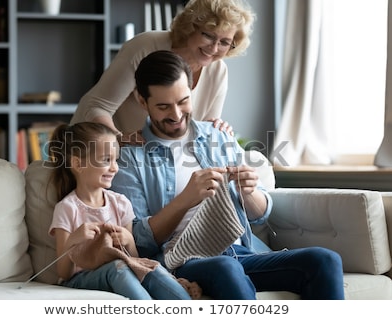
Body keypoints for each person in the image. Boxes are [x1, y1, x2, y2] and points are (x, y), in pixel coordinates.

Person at [111, 50, 345, 299]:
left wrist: (250, 192)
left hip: (240, 251)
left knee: (324, 260)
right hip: (183, 260)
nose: (177, 115)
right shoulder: (130, 159)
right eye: (163, 106)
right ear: (142, 100)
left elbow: (260, 214)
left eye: (183, 101)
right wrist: (187, 198)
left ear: (191, 89)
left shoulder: (218, 136)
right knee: (226, 266)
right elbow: (137, 241)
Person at [47, 121, 196, 300]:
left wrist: (129, 242)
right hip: (79, 279)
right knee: (118, 267)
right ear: (78, 164)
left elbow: (133, 260)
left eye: (115, 160)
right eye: (106, 160)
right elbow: (64, 272)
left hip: (121, 268)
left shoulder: (120, 203)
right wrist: (73, 241)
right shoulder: (67, 208)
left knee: (151, 268)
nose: (114, 167)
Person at [71, 0, 255, 143]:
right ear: (191, 27)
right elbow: (97, 107)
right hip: (101, 147)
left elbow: (201, 131)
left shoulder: (218, 71)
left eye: (224, 42)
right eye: (208, 35)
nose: (214, 48)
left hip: (154, 158)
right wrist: (119, 140)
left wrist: (217, 128)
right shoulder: (145, 46)